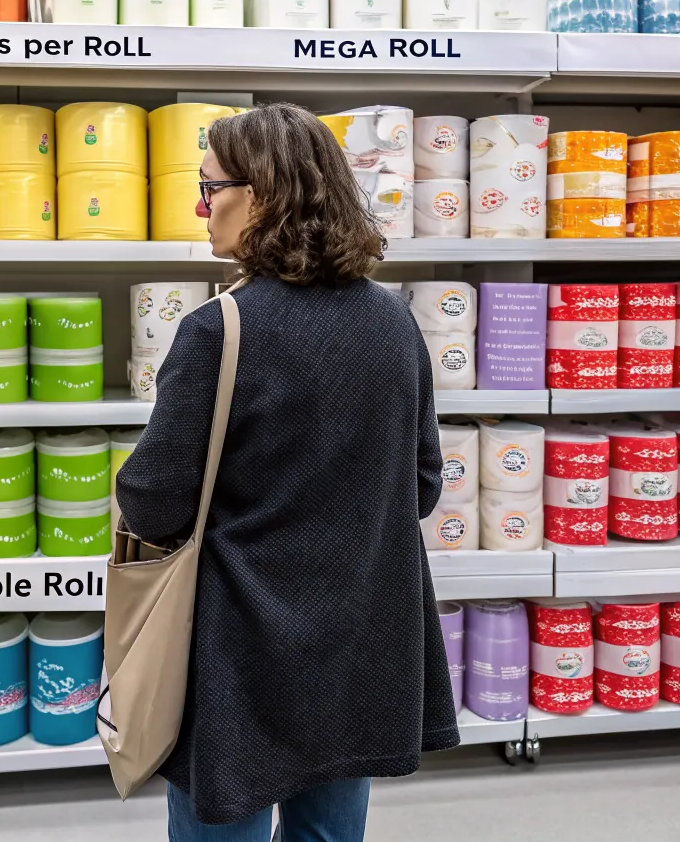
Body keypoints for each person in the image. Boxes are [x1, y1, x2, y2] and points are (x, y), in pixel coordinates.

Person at [116, 103, 459, 841]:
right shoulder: (393, 321)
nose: (200, 207)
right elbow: (422, 486)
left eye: (210, 188)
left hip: (240, 646)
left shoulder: (219, 329)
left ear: (263, 195)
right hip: (361, 633)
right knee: (330, 830)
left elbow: (153, 501)